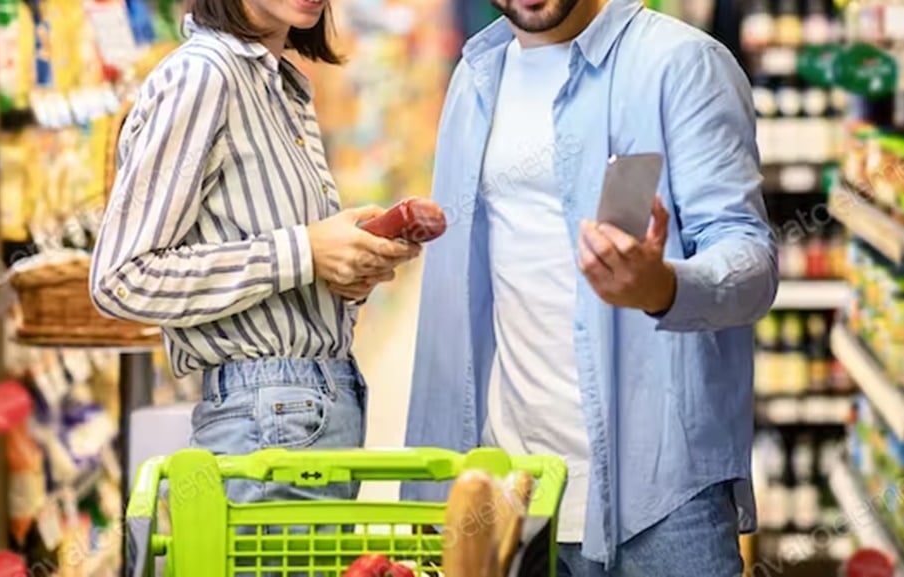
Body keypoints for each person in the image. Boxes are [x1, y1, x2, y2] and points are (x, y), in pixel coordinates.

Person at [403, 0, 778, 575]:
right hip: (515, 493)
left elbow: (751, 259)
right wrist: (435, 490)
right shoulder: (476, 76)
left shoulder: (680, 63)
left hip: (660, 501)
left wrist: (666, 286)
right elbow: (459, 304)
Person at [90, 0, 418, 506]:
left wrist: (344, 269)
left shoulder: (280, 86)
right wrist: (304, 251)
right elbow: (122, 277)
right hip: (267, 418)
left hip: (314, 403)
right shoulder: (203, 76)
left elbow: (271, 257)